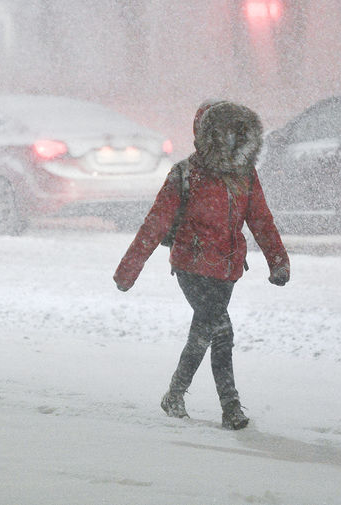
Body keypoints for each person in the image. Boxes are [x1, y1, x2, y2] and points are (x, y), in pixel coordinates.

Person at [113, 100, 290, 430]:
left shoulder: (245, 176)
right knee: (221, 331)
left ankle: (175, 395)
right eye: (223, 133)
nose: (230, 140)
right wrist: (128, 271)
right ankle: (230, 406)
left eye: (236, 133)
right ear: (208, 135)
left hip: (227, 271)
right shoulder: (185, 174)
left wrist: (278, 261)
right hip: (191, 266)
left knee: (208, 330)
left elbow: (261, 221)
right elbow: (155, 225)